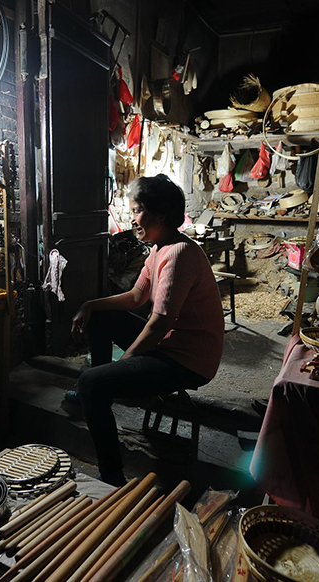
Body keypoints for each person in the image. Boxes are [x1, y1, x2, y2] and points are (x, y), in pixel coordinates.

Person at [70, 174, 224, 485]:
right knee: (101, 318)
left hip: (187, 361)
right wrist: (91, 304)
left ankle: (112, 474)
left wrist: (127, 358)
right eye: (132, 211)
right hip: (170, 344)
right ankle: (104, 389)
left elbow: (161, 321)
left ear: (162, 213)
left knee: (89, 383)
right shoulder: (158, 249)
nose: (133, 219)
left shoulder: (179, 253)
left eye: (138, 211)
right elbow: (136, 297)